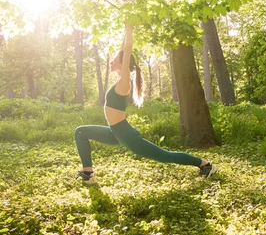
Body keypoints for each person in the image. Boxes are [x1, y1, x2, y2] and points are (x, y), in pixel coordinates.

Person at [74, 24, 217, 184]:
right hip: (115, 132)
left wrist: (130, 28)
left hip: (125, 134)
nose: (111, 62)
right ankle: (88, 173)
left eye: (114, 60)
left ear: (123, 64)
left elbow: (126, 51)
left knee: (165, 156)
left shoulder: (124, 82)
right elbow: (123, 51)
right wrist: (124, 28)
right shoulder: (120, 80)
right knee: (80, 132)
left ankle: (205, 164)